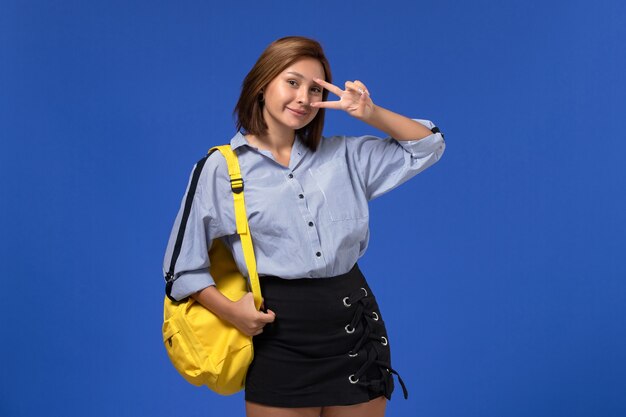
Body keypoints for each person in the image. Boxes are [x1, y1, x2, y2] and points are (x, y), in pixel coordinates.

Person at [162, 36, 445, 417]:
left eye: (315, 89)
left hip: (355, 332)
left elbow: (428, 146)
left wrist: (370, 113)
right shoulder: (219, 170)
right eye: (292, 82)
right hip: (279, 339)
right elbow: (180, 270)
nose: (304, 98)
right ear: (263, 84)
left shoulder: (345, 155)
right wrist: (232, 312)